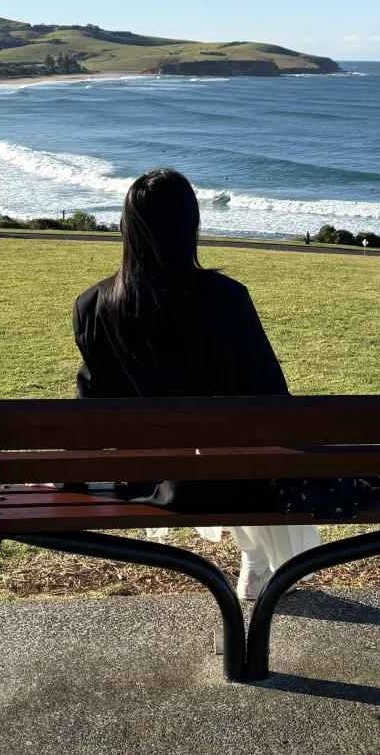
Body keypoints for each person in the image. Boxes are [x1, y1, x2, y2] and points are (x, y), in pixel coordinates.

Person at [72, 167, 319, 600]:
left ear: (128, 227)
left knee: (227, 455)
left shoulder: (94, 306)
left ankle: (255, 562)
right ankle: (256, 562)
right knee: (243, 453)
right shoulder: (228, 298)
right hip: (236, 477)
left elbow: (90, 409)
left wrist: (64, 478)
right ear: (191, 224)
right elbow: (271, 398)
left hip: (151, 480)